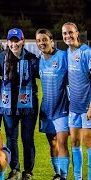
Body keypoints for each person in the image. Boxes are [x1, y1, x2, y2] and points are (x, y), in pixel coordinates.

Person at [0, 28, 39, 180]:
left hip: (28, 105)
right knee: (11, 139)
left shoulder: (31, 58)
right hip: (8, 104)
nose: (14, 44)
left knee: (27, 138)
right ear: (7, 42)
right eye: (11, 40)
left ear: (23, 41)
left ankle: (27, 171)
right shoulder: (1, 57)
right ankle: (14, 169)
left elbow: (43, 76)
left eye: (17, 40)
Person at [36, 28, 69, 180]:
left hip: (62, 108)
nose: (41, 43)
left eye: (44, 39)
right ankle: (57, 174)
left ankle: (63, 175)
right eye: (38, 40)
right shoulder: (40, 60)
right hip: (46, 108)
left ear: (51, 40)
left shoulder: (63, 56)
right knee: (52, 142)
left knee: (62, 142)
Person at [62, 22, 91, 180]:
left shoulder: (87, 52)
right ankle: (78, 178)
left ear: (77, 33)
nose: (68, 36)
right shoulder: (67, 51)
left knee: (89, 144)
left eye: (70, 33)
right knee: (74, 142)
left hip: (87, 107)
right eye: (65, 33)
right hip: (74, 107)